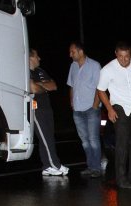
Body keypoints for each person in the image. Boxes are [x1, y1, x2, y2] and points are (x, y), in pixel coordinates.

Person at [96, 41, 131, 189]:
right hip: (120, 108)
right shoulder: (107, 69)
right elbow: (101, 90)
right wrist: (109, 109)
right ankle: (121, 179)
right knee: (122, 144)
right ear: (116, 54)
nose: (123, 60)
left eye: (126, 57)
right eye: (120, 56)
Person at [29, 49, 69, 177]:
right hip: (36, 109)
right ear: (30, 58)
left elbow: (53, 85)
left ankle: (47, 166)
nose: (39, 58)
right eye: (37, 56)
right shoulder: (25, 71)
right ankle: (55, 165)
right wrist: (42, 86)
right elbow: (33, 88)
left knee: (48, 138)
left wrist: (40, 85)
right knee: (45, 138)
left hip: (47, 108)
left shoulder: (40, 71)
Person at [67, 41, 102, 178]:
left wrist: (95, 105)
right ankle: (90, 166)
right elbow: (71, 85)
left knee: (93, 139)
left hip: (91, 109)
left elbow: (100, 88)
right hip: (77, 110)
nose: (70, 55)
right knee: (85, 141)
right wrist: (72, 102)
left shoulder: (94, 65)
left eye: (72, 52)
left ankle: (97, 168)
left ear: (80, 51)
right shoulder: (73, 66)